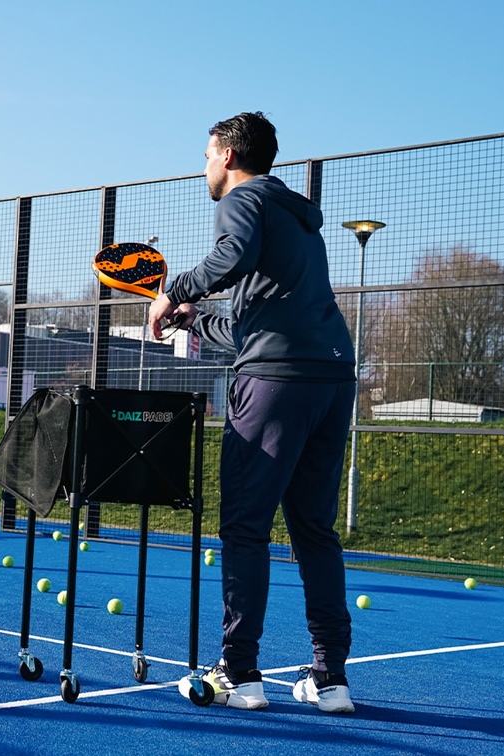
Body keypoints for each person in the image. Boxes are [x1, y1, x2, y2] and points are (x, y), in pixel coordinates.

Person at [148, 112, 358, 714]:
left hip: (274, 385)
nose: (204, 167)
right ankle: (330, 678)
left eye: (207, 155)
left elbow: (232, 256)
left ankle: (239, 672)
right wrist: (195, 321)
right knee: (315, 530)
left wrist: (174, 293)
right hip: (330, 376)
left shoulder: (243, 200)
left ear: (229, 156)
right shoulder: (295, 219)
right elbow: (256, 327)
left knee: (245, 527)